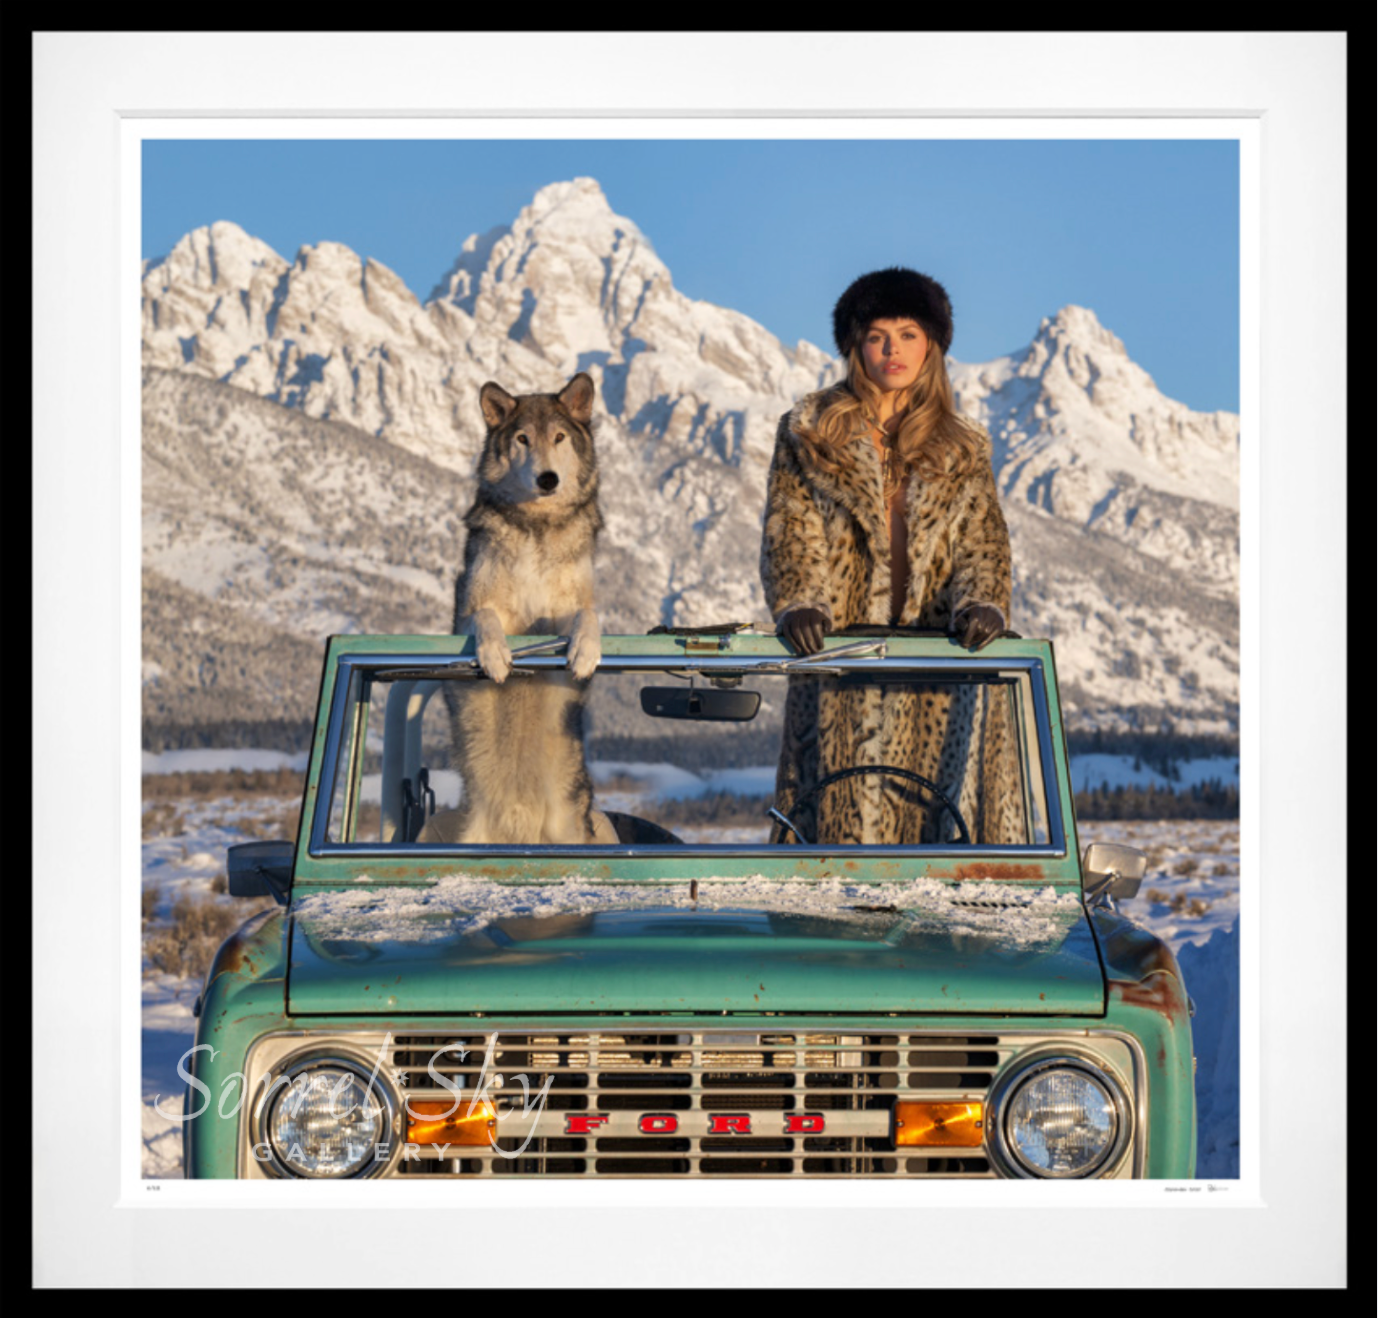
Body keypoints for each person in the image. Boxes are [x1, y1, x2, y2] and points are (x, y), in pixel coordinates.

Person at [759, 266, 1022, 846]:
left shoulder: (963, 445)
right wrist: (799, 601)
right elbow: (790, 527)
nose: (892, 349)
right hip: (840, 661)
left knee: (939, 842)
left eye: (907, 333)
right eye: (877, 334)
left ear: (931, 344)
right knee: (831, 842)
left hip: (938, 665)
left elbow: (983, 540)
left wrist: (984, 603)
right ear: (856, 345)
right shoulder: (809, 431)